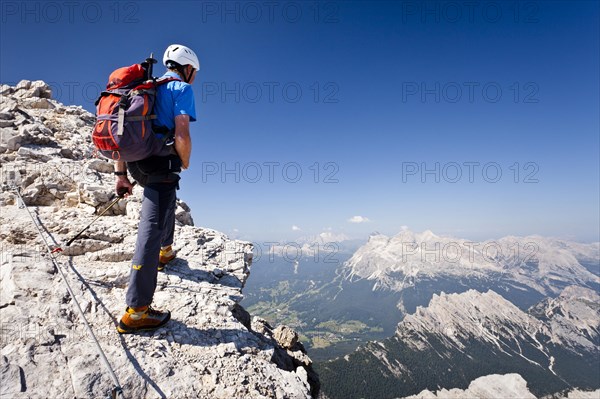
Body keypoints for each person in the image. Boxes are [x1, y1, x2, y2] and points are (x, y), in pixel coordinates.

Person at [114, 44, 199, 333]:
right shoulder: (180, 89)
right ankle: (137, 310)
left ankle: (166, 251)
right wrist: (185, 161)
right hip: (159, 166)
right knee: (149, 229)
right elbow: (182, 133)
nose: (194, 77)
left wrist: (121, 176)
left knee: (167, 200)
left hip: (137, 164)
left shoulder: (143, 88)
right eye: (194, 72)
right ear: (187, 68)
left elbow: (124, 135)